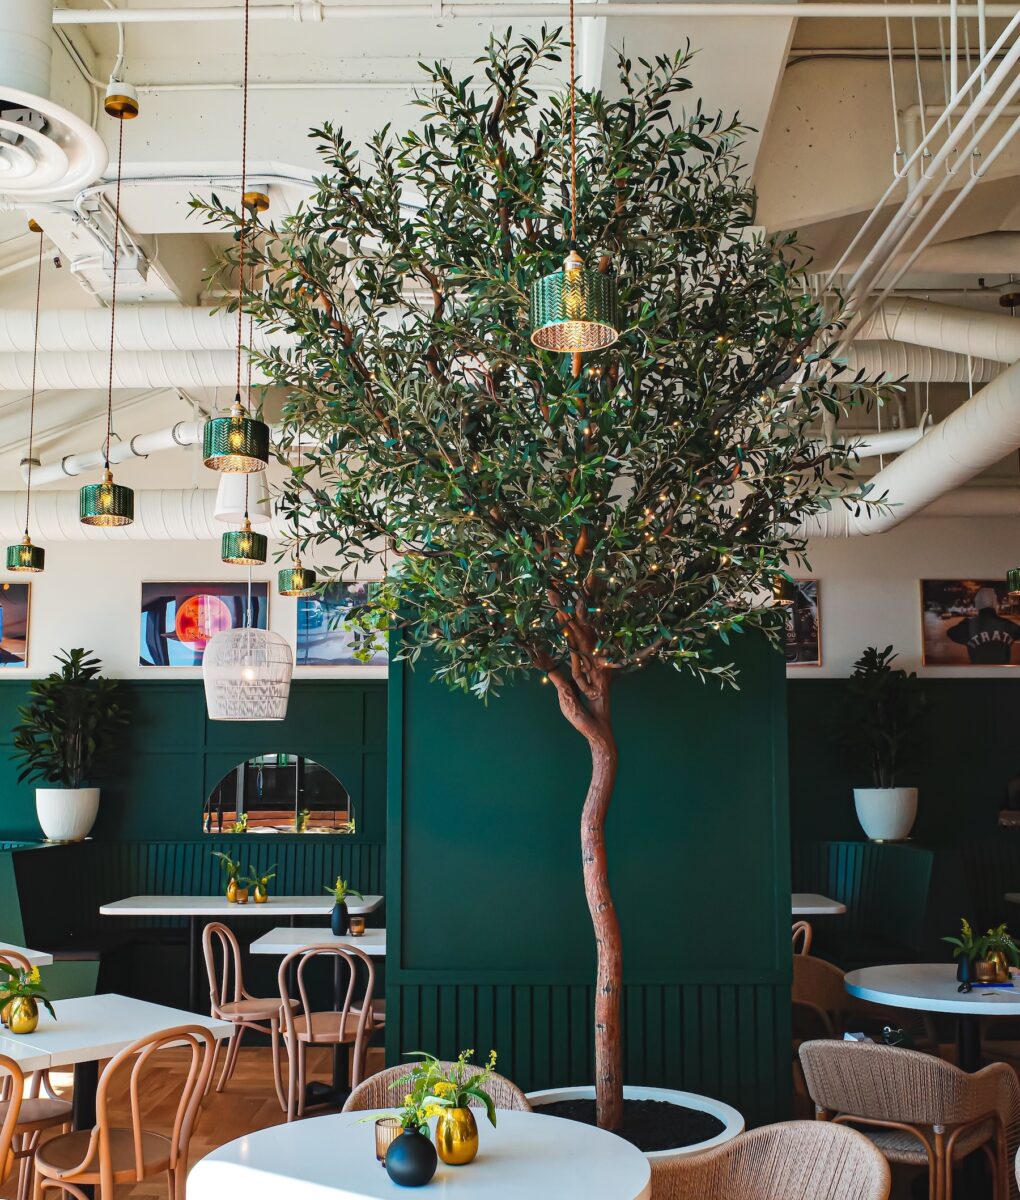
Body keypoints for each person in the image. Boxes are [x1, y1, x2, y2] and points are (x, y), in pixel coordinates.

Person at [947, 586, 1020, 664]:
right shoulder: (1007, 625)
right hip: (1003, 671)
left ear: (977, 604)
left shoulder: (968, 624)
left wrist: (969, 640)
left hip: (977, 670)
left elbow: (951, 633)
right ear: (994, 603)